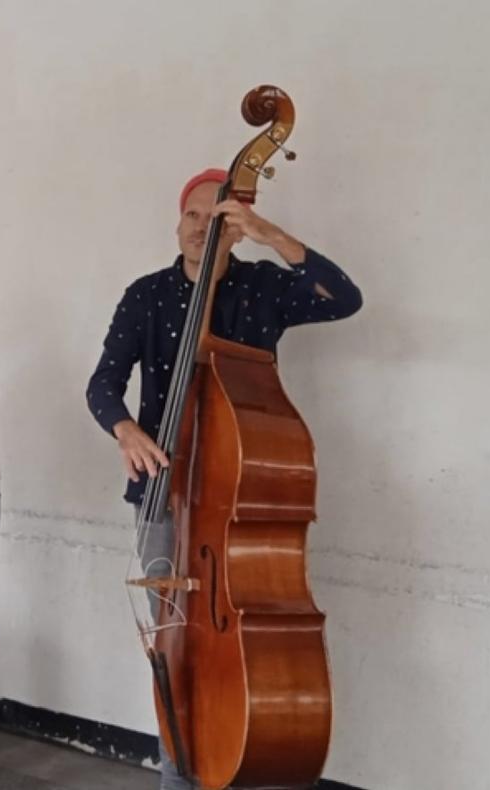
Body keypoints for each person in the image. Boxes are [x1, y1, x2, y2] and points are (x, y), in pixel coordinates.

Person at [86, 169, 363, 789]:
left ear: (235, 230)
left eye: (218, 220)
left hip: (241, 498)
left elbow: (345, 298)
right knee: (174, 656)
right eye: (192, 216)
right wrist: (125, 430)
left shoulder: (263, 288)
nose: (200, 230)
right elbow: (102, 385)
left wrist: (270, 233)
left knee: (245, 649)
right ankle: (179, 776)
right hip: (164, 499)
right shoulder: (145, 295)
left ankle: (243, 763)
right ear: (177, 220)